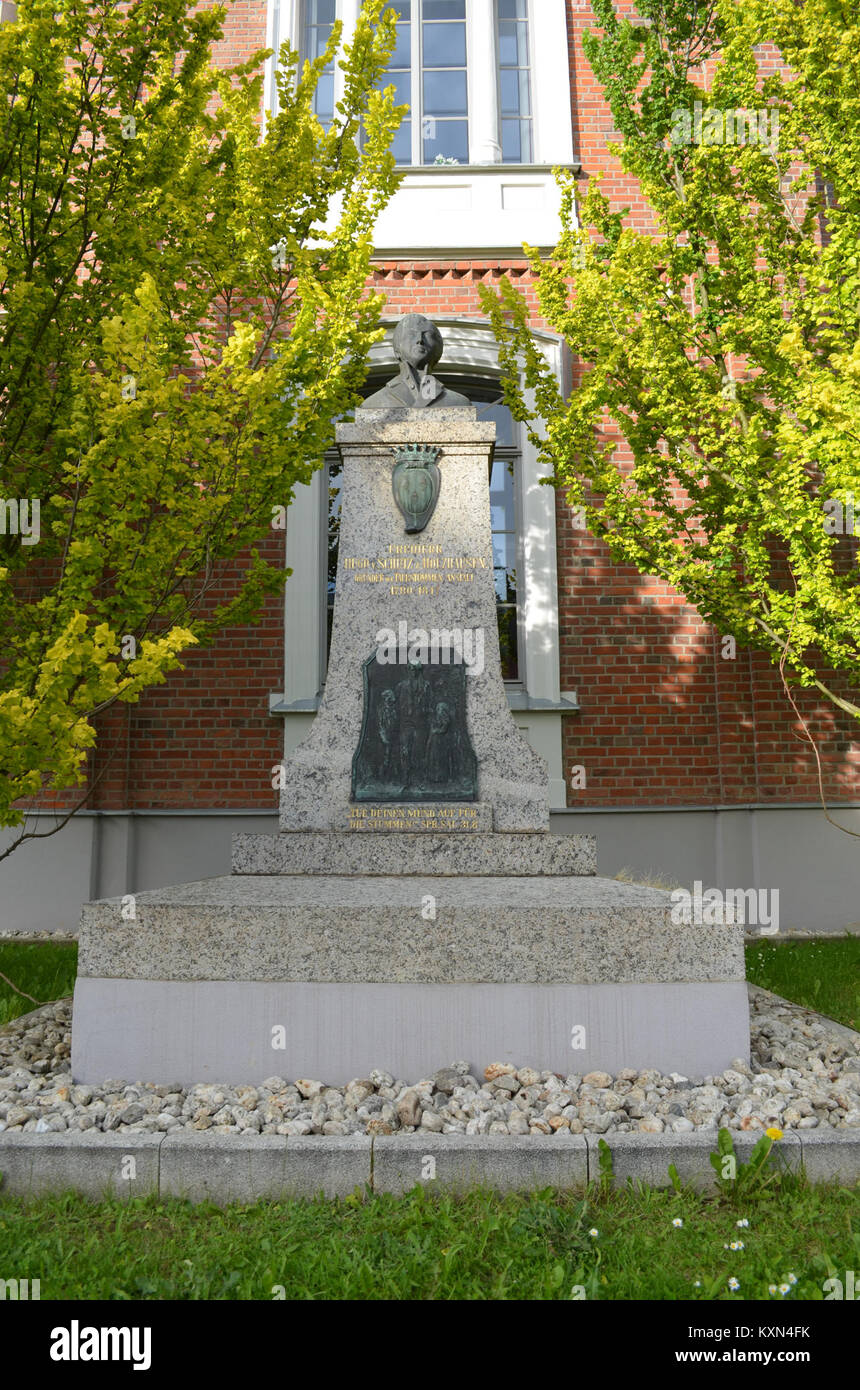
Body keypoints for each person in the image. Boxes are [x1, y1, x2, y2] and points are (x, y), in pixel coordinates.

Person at [363, 314, 471, 409]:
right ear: (397, 349)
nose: (420, 340)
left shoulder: (459, 403)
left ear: (438, 349)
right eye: (411, 335)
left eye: (427, 335)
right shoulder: (372, 404)